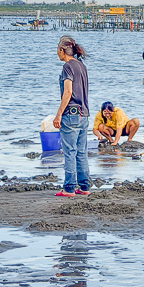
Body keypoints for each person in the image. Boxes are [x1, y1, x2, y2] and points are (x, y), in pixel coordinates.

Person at [53, 36, 90, 197]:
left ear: (62, 50)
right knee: (81, 152)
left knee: (69, 152)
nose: (57, 54)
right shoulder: (81, 66)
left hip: (71, 114)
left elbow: (68, 92)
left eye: (58, 51)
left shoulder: (68, 67)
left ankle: (68, 188)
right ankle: (84, 186)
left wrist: (58, 114)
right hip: (84, 114)